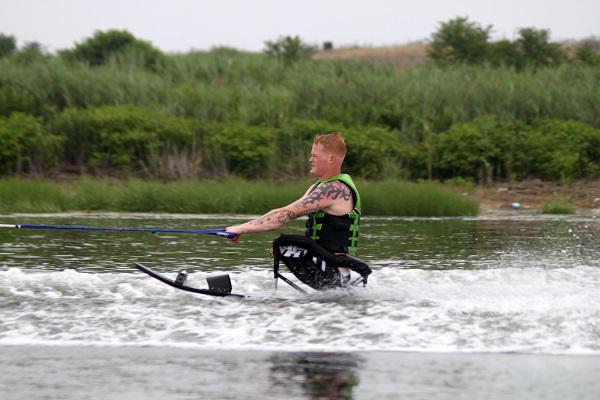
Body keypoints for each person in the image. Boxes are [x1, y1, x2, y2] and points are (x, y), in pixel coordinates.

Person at [226, 132, 361, 286]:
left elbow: (281, 217)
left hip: (334, 272)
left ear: (331, 159)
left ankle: (271, 300)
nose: (310, 160)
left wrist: (240, 229)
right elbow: (283, 210)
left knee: (282, 245)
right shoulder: (319, 187)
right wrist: (239, 228)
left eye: (314, 156)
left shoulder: (334, 189)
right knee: (283, 247)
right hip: (327, 266)